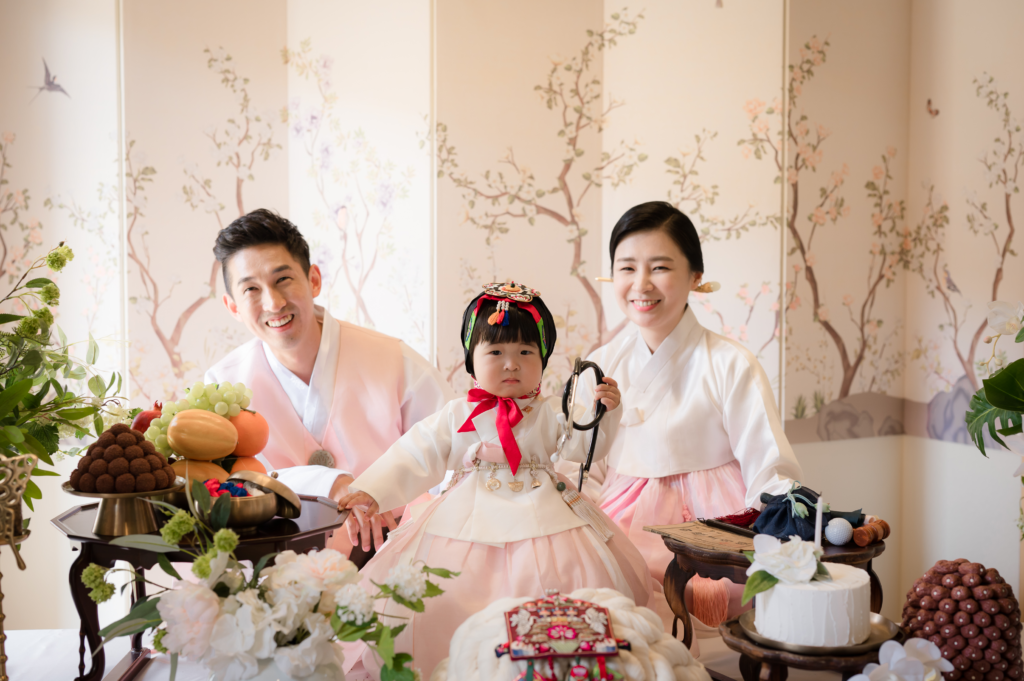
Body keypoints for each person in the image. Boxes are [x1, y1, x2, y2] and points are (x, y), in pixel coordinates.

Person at [335, 282, 671, 678]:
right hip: (467, 509)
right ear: (471, 361)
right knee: (447, 591)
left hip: (545, 510)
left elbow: (583, 447)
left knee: (566, 582)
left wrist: (603, 412)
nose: (511, 364)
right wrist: (373, 489)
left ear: (543, 360)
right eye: (496, 352)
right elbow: (417, 452)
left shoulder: (549, 412)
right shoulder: (457, 413)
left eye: (526, 352)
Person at [575, 201, 803, 629]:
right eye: (626, 268)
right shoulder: (600, 364)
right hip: (622, 519)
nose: (641, 284)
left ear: (695, 276)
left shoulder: (731, 362)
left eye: (659, 267)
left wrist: (785, 529)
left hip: (712, 521)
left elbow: (767, 462)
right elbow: (585, 464)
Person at [204, 209, 455, 554]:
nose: (273, 303)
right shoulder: (221, 386)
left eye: (283, 280)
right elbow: (223, 487)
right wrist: (330, 483)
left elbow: (456, 457)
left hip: (401, 554)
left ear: (314, 280)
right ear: (233, 306)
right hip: (279, 566)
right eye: (251, 289)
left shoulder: (396, 360)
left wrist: (405, 531)